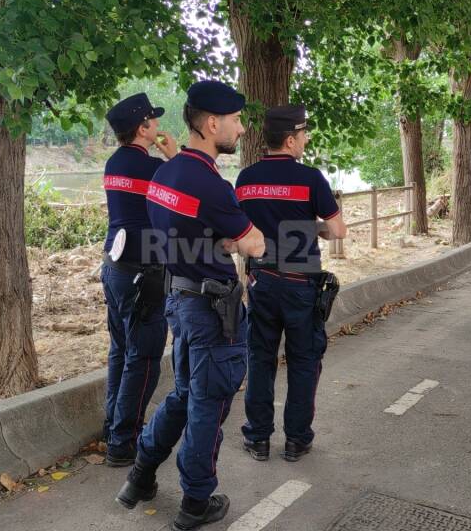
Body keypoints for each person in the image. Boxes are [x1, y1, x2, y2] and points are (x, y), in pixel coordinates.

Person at [116, 80, 265, 531]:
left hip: (178, 299)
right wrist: (237, 239)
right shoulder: (211, 183)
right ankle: (196, 502)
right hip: (211, 309)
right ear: (213, 123)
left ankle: (140, 476)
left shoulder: (164, 174)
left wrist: (216, 240)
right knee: (208, 401)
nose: (241, 129)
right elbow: (254, 243)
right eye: (236, 121)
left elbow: (183, 233)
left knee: (183, 394)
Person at [233, 104, 347, 462]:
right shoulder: (311, 179)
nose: (305, 140)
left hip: (261, 280)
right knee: (303, 360)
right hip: (301, 285)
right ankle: (296, 440)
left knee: (260, 359)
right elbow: (338, 231)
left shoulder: (245, 179)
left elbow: (239, 235)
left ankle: (258, 438)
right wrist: (313, 227)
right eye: (303, 135)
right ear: (289, 139)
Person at [100, 92, 178, 466]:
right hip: (143, 273)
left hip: (113, 268)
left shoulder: (113, 163)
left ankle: (112, 425)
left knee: (120, 350)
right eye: (154, 122)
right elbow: (188, 189)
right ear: (142, 128)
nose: (159, 127)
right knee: (143, 356)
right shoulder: (154, 169)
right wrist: (175, 157)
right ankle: (122, 442)